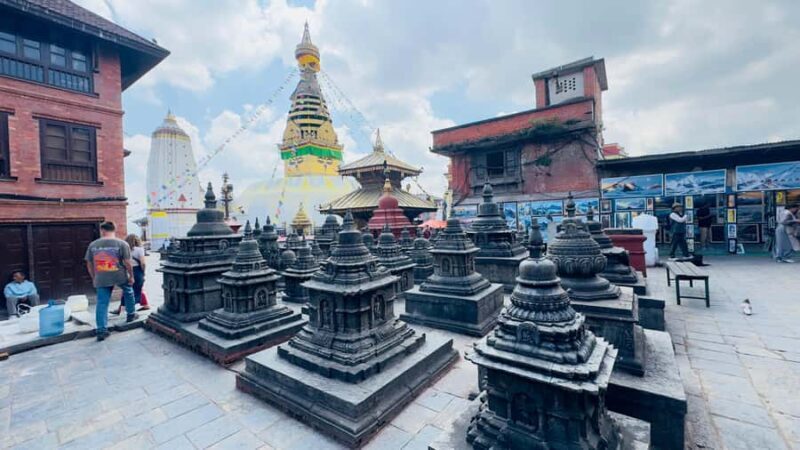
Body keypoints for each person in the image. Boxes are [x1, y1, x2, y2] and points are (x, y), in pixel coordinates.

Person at [85, 221, 138, 341]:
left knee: (102, 303)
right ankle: (131, 314)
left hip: (101, 276)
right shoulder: (122, 243)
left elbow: (88, 263)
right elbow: (127, 263)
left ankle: (102, 330)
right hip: (119, 274)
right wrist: (131, 276)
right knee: (128, 291)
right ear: (114, 230)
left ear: (102, 231)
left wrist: (94, 277)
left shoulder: (93, 245)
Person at [112, 234, 150, 314]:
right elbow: (143, 263)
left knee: (127, 290)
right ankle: (131, 310)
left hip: (127, 271)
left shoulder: (123, 249)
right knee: (136, 291)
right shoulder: (139, 249)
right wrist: (143, 272)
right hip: (137, 270)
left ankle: (122, 308)